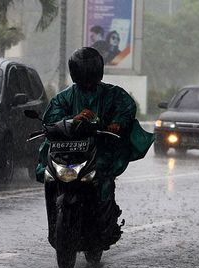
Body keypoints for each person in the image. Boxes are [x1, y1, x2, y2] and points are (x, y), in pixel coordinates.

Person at [36, 47, 140, 248]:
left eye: (90, 72)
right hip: (67, 151)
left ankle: (105, 221)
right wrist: (71, 120)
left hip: (98, 149)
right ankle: (55, 225)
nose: (87, 77)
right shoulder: (65, 97)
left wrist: (117, 123)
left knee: (103, 178)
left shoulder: (112, 94)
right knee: (48, 172)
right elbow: (51, 118)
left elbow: (126, 107)